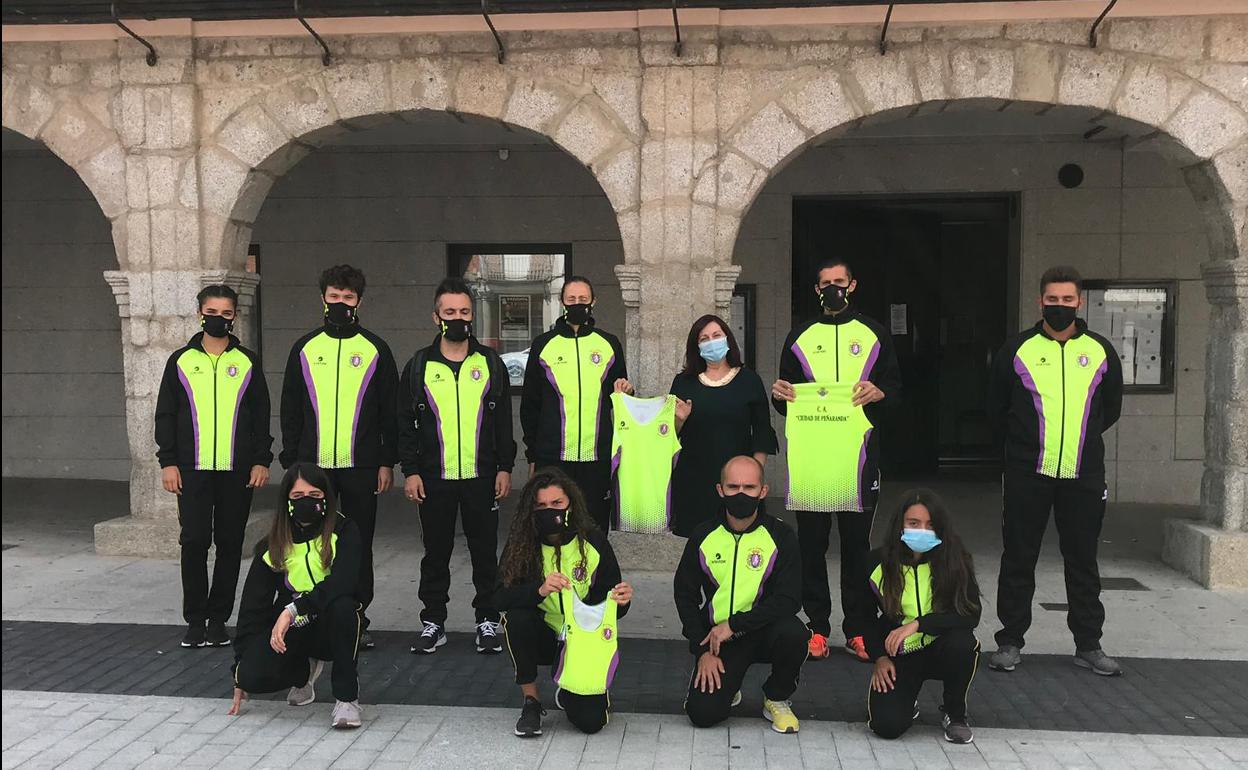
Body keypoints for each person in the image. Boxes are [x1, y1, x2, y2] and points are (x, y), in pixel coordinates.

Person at [987, 266, 1124, 677]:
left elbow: (1109, 410)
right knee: (1018, 558)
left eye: (1067, 300)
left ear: (1079, 302)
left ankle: (1088, 645)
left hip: (1083, 474)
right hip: (1029, 472)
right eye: (1052, 299)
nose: (1059, 306)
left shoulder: (1100, 351)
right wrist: (1024, 449)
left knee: (1082, 560)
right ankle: (1010, 642)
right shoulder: (1017, 349)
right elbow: (996, 410)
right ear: (1040, 301)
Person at [771, 259, 901, 662]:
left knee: (856, 546)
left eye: (839, 282)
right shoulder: (800, 337)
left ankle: (858, 628)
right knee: (811, 545)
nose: (832, 289)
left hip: (858, 459)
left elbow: (894, 388)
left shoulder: (875, 334)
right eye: (825, 283)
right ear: (816, 289)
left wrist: (880, 393)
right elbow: (784, 397)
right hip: (813, 461)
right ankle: (817, 626)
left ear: (853, 284)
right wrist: (780, 395)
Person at [280, 265, 398, 650]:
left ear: (358, 301)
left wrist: (386, 461)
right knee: (311, 542)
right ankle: (308, 612)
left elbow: (388, 411)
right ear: (323, 299)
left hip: (361, 465)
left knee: (357, 543)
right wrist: (292, 461)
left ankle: (357, 617)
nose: (341, 303)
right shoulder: (305, 348)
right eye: (334, 297)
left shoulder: (376, 349)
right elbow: (291, 408)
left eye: (348, 298)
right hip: (314, 467)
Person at [399, 278, 516, 655]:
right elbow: (406, 424)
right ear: (436, 317)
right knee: (436, 553)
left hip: (481, 477)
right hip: (435, 478)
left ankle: (487, 620)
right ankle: (433, 622)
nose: (458, 318)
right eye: (450, 312)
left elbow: (502, 423)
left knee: (485, 553)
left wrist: (504, 467)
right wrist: (411, 470)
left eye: (464, 312)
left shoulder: (490, 364)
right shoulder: (419, 365)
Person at [155, 284, 272, 649]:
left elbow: (261, 417)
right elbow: (166, 415)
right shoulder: (180, 361)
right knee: (193, 541)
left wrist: (260, 461)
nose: (218, 318)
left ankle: (219, 619)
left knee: (230, 543)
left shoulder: (248, 362)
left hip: (237, 471)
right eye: (212, 312)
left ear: (235, 315)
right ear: (199, 313)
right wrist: (168, 462)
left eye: (226, 313)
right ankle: (195, 619)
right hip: (192, 469)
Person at [494, 468, 633, 738]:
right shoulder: (524, 543)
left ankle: (571, 690)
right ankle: (531, 702)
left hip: (581, 641)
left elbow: (610, 602)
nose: (549, 511)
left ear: (571, 503)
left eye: (557, 503)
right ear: (531, 510)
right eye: (541, 505)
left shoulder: (592, 541)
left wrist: (622, 601)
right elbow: (497, 596)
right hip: (543, 634)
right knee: (516, 618)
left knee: (591, 723)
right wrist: (539, 590)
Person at [674, 456, 807, 734]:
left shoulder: (781, 536)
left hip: (763, 630)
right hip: (718, 641)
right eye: (733, 487)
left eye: (749, 487)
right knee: (702, 714)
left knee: (794, 633)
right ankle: (728, 689)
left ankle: (776, 697)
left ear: (763, 491)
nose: (741, 494)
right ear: (720, 490)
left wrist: (735, 625)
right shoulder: (703, 535)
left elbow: (790, 599)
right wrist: (701, 649)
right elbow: (685, 594)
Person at [229, 463, 364, 729]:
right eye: (298, 496)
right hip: (295, 628)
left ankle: (347, 699)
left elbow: (343, 583)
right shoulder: (272, 545)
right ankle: (303, 673)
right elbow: (251, 608)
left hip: (328, 618)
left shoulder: (345, 530)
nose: (306, 502)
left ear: (326, 497)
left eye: (314, 496)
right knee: (251, 676)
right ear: (286, 501)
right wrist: (238, 671)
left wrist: (293, 609)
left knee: (344, 608)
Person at [859, 489, 981, 745]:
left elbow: (970, 614)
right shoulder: (876, 562)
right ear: (899, 525)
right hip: (900, 653)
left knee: (964, 643)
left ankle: (955, 713)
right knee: (886, 726)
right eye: (914, 523)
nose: (922, 531)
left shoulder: (955, 559)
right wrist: (879, 657)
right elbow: (864, 617)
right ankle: (907, 701)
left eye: (930, 525)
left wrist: (919, 624)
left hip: (941, 647)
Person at [520, 276, 631, 532]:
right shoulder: (544, 345)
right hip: (554, 455)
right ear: (562, 302)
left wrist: (625, 390)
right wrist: (532, 455)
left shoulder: (609, 343)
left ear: (594, 302)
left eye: (583, 299)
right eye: (571, 299)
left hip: (596, 455)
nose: (577, 304)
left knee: (595, 525)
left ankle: (594, 572)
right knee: (553, 524)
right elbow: (530, 405)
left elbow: (620, 395)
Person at [669, 315, 778, 537]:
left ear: (728, 339)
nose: (711, 342)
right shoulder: (683, 383)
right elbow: (668, 436)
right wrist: (679, 419)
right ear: (696, 346)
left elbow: (762, 433)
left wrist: (753, 478)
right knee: (698, 544)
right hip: (693, 480)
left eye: (717, 336)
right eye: (704, 338)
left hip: (737, 481)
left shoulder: (749, 380)